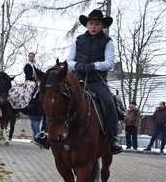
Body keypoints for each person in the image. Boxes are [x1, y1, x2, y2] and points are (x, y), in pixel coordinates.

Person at [35, 9, 123, 154]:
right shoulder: (78, 40)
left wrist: (94, 65)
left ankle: (113, 138)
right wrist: (78, 65)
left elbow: (109, 63)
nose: (93, 26)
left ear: (102, 26)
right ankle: (45, 133)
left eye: (97, 24)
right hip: (77, 77)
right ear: (87, 25)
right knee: (56, 98)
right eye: (91, 23)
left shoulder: (108, 42)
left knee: (109, 101)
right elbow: (70, 60)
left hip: (97, 79)